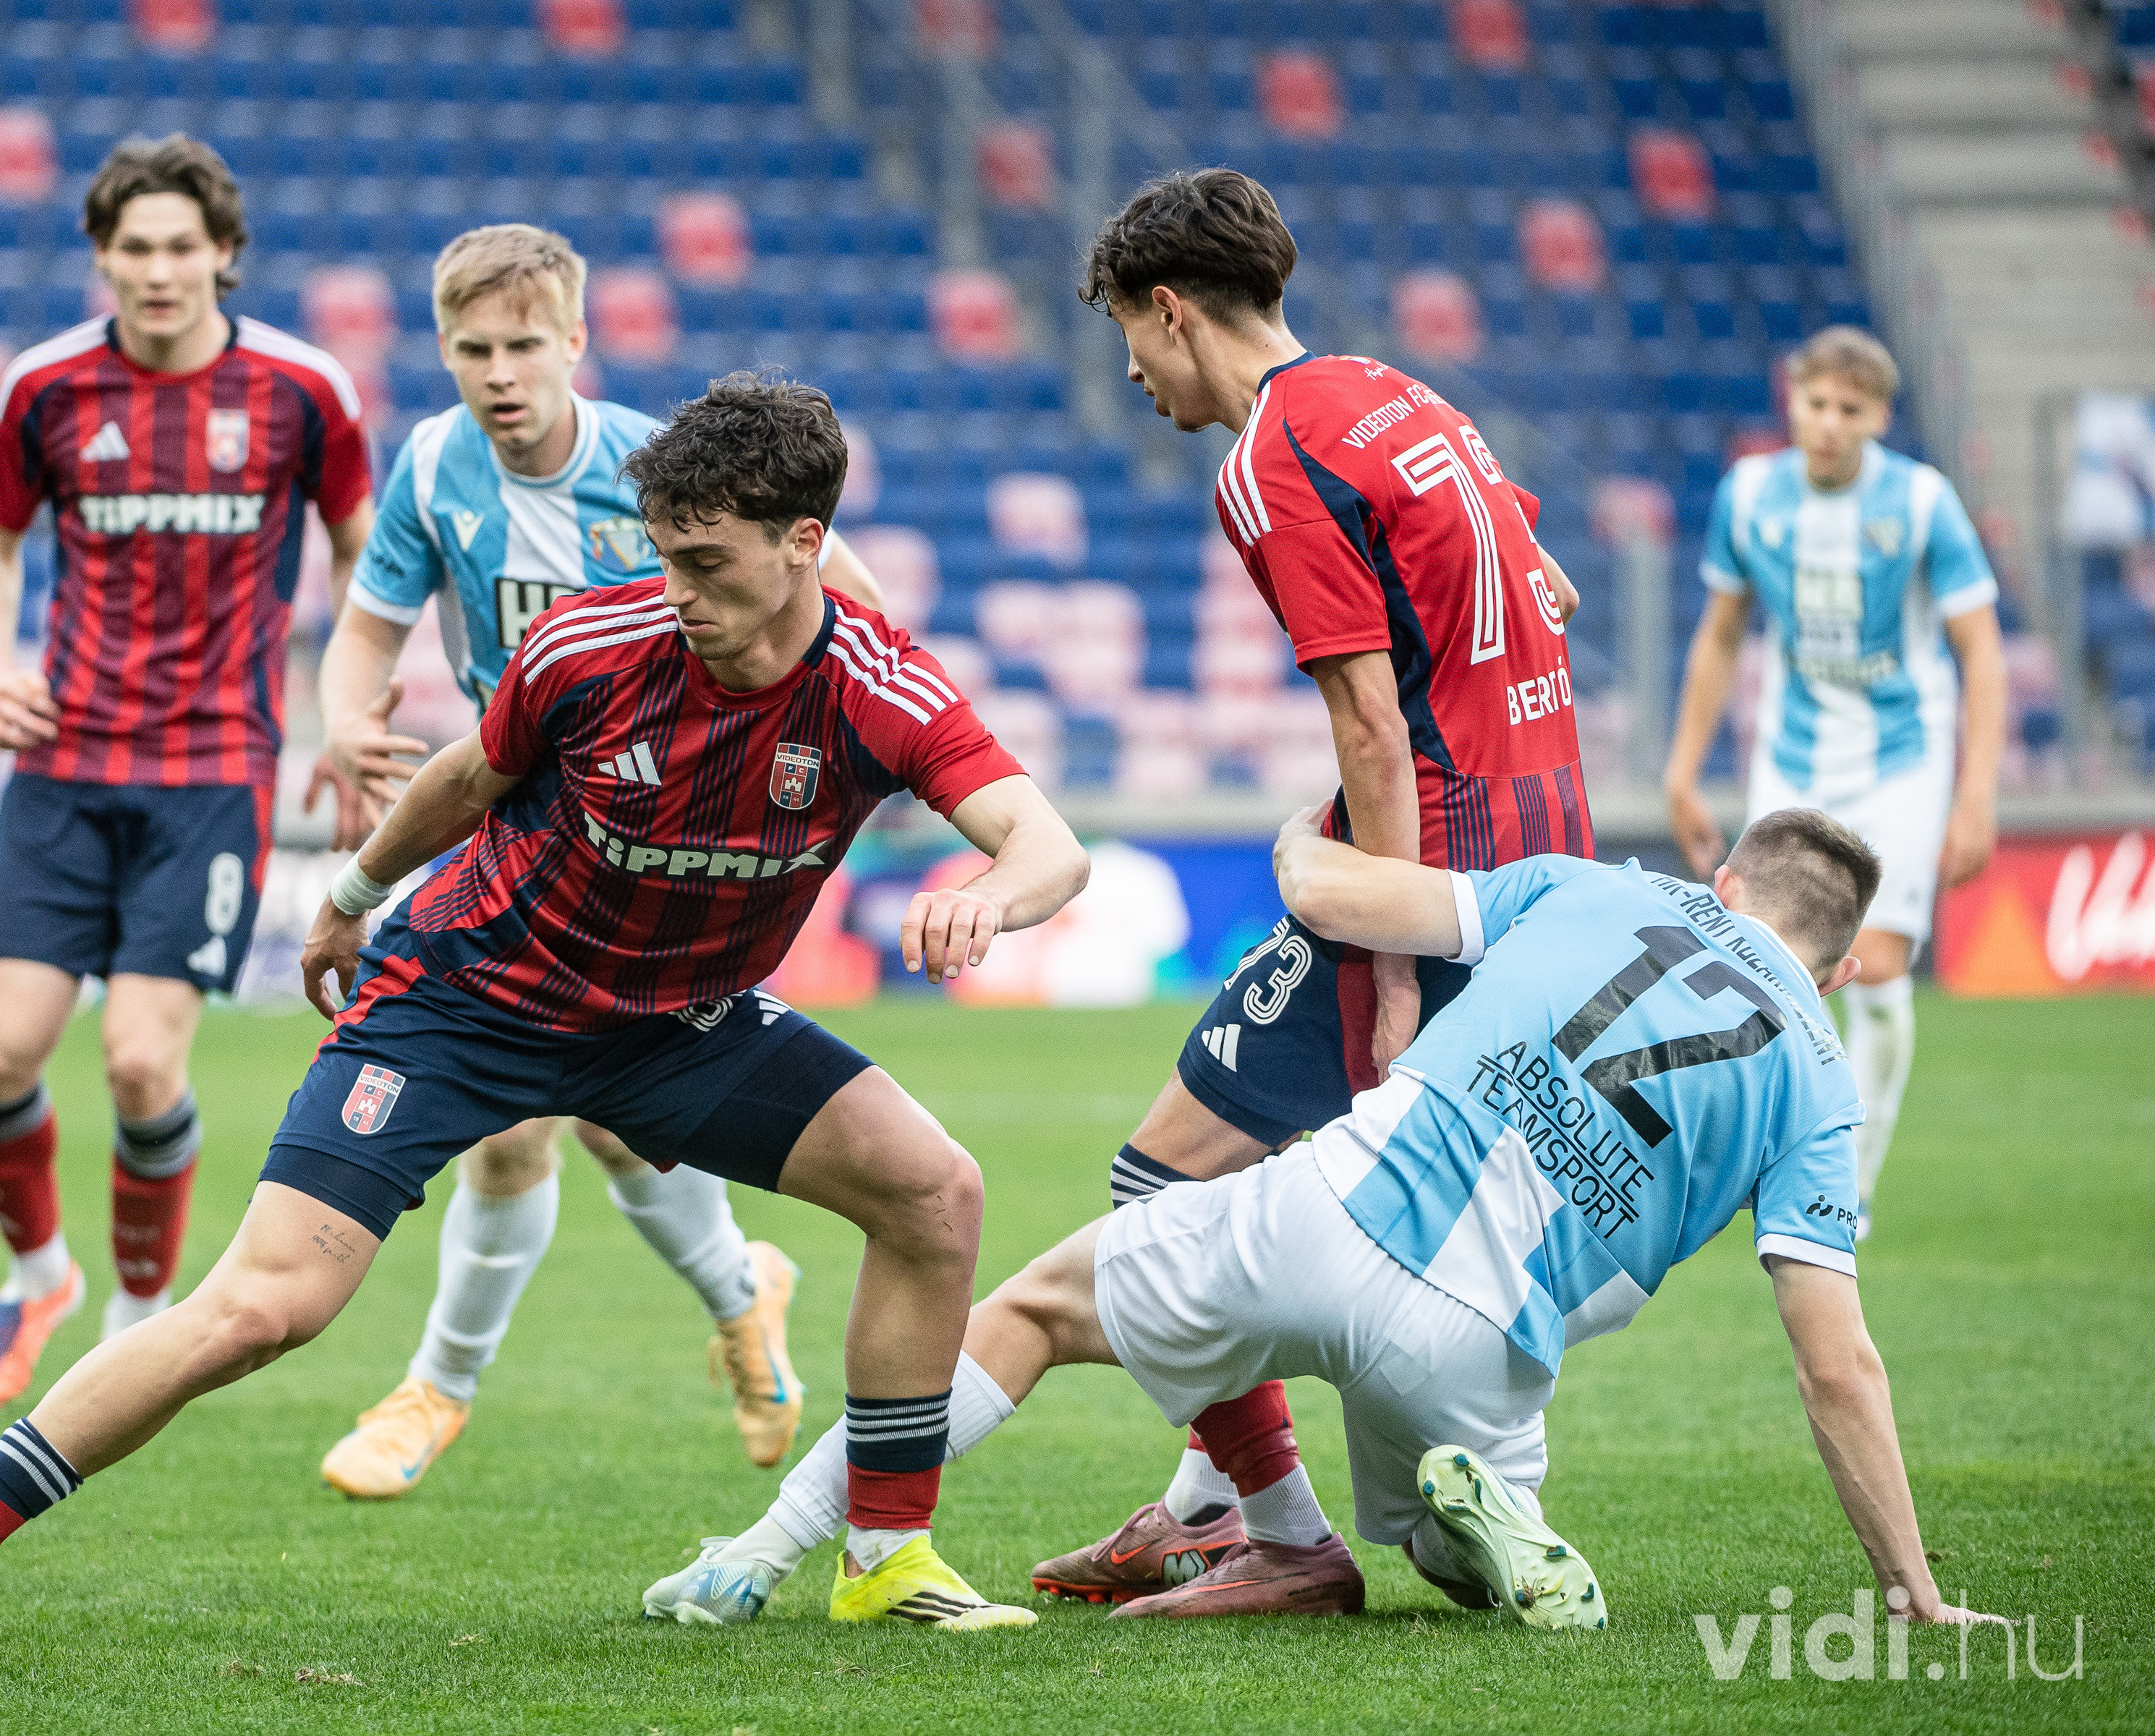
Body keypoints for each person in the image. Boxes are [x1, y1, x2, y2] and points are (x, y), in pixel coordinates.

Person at [0, 373, 1091, 1632]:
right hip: (465, 1003)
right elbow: (469, 778)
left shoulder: (880, 685)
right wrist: (352, 895)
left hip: (675, 1027)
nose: (677, 590)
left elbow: (1049, 849)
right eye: (666, 557)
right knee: (266, 1307)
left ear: (805, 543)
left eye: (707, 563)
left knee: (934, 1193)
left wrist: (991, 896)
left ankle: (886, 1558)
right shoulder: (589, 646)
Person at [645, 166, 1599, 1614]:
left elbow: (1368, 718)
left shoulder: (1273, 457)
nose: (1136, 374)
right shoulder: (1403, 398)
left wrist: (1395, 956)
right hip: (1543, 852)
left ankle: (1281, 1534)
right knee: (1265, 1194)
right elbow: (1551, 588)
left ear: (1169, 309)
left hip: (1431, 872)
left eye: (1127, 339)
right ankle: (1218, 1509)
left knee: (1164, 1182)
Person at [652, 807, 2005, 1636]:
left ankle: (763, 1552)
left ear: (1725, 882)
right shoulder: (1819, 1082)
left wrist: (1303, 840)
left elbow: (1339, 897)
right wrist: (1911, 1589)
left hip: (1332, 1213)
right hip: (1485, 1348)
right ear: (1839, 965)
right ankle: (1482, 1523)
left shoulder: (1600, 888)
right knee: (1439, 1553)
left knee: (1031, 1311)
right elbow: (1837, 1364)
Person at [308, 224, 890, 1499]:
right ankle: (720, 1303)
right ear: (444, 351)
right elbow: (364, 632)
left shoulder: (661, 475)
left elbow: (855, 608)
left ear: (576, 341)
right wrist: (345, 719)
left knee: (587, 1122)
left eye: (524, 345)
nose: (500, 373)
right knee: (545, 1131)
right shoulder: (434, 466)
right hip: (524, 830)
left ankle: (452, 1384)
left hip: (666, 844)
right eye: (473, 349)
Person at [0, 134, 373, 1410]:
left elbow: (362, 548)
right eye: (134, 247)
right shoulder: (44, 387)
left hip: (212, 770)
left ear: (224, 254)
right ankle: (39, 1279)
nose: (158, 270)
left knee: (141, 1063)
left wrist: (344, 708)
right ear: (102, 255)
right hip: (65, 763)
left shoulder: (303, 390)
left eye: (182, 246)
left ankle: (137, 1315)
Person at [1665, 326, 2005, 1238]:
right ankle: (1756, 1154)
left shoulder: (1922, 502)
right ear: (1793, 400)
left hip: (1903, 755)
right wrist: (1683, 768)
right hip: (1792, 755)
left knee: (1879, 966)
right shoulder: (1749, 495)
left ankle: (1850, 1186)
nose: (1827, 422)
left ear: (1879, 417)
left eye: (1849, 409)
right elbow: (1721, 633)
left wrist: (1976, 793)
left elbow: (1981, 650)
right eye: (1815, 403)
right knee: (1764, 964)